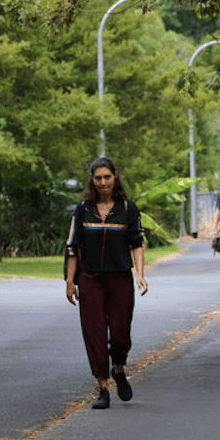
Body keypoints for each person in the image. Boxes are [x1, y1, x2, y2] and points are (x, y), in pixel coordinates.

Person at [65, 157, 149, 410]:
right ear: (92, 180)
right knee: (95, 333)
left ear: (115, 177)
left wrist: (140, 274)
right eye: (98, 178)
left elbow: (137, 244)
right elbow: (72, 247)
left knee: (120, 334)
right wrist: (70, 281)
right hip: (90, 278)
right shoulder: (82, 210)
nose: (103, 182)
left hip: (120, 277)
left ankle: (119, 368)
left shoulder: (127, 208)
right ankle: (102, 387)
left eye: (107, 177)